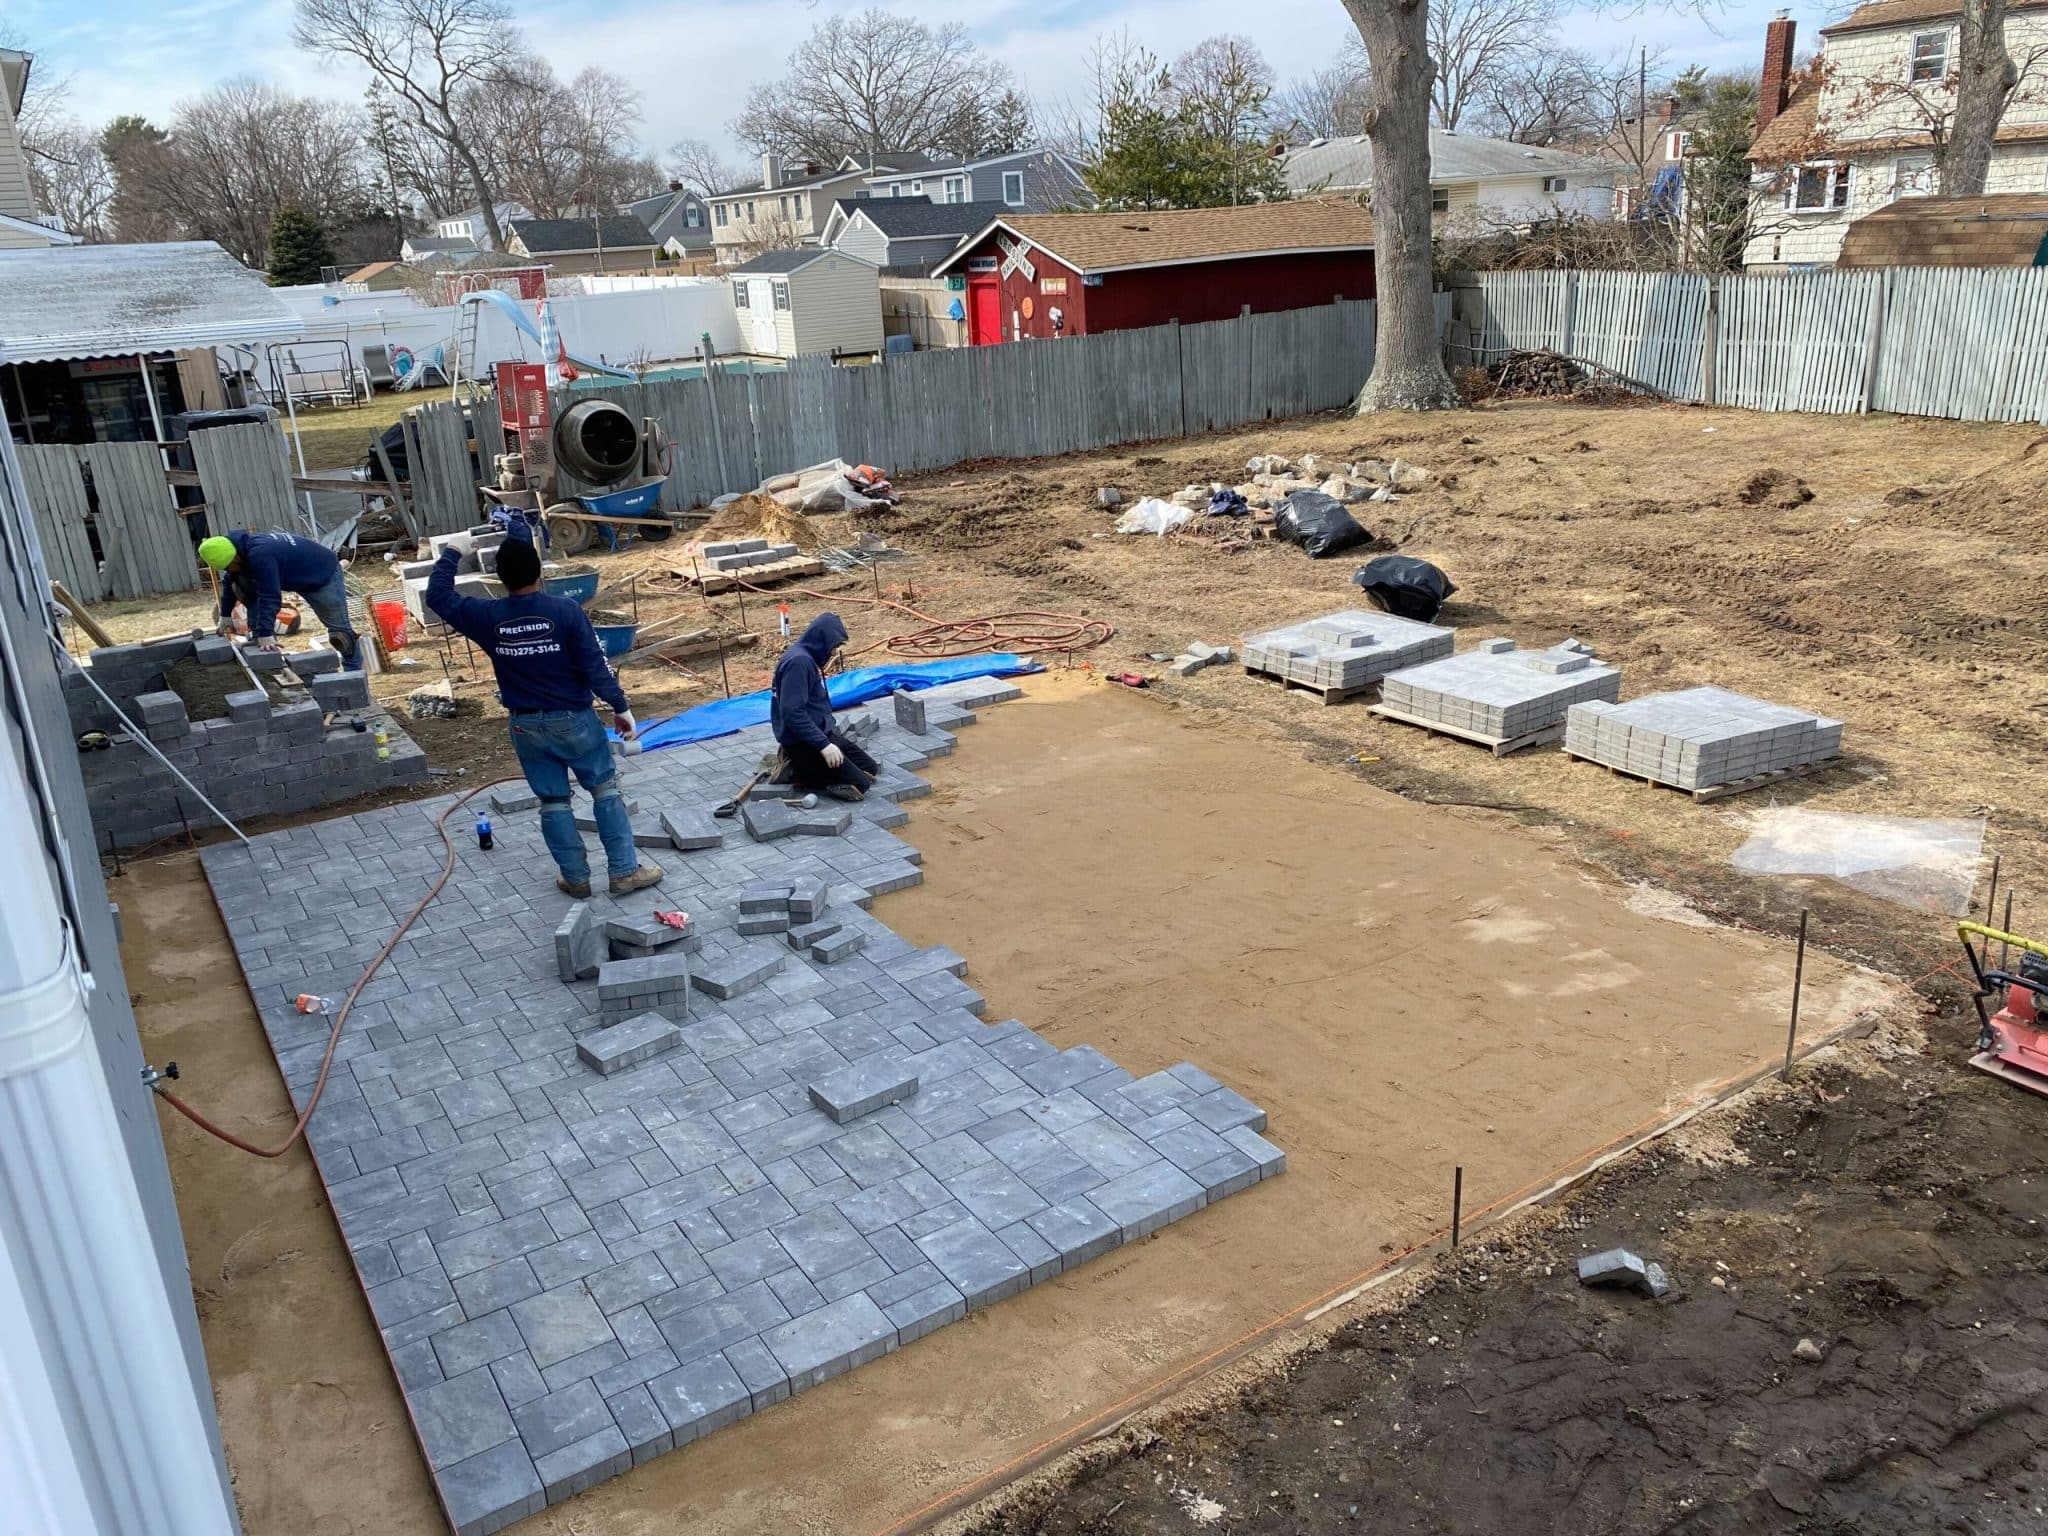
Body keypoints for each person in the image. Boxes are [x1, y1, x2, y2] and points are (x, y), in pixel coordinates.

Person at [425, 533, 662, 898]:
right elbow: (594, 667)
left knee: (553, 802)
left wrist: (454, 551)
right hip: (574, 720)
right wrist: (620, 707)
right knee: (605, 792)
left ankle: (577, 879)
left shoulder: (488, 616)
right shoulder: (565, 612)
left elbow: (438, 597)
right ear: (540, 573)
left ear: (500, 579)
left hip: (526, 725)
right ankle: (624, 872)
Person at [198, 530, 360, 666]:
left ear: (235, 558)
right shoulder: (235, 549)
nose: (229, 570)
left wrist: (266, 633)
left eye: (228, 566)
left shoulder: (260, 554)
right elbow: (230, 582)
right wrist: (225, 616)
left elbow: (269, 596)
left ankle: (354, 675)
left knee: (341, 637)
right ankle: (258, 637)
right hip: (293, 573)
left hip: (321, 574)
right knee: (239, 584)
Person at [771, 612, 880, 801]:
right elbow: (792, 712)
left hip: (821, 734)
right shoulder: (798, 663)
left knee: (870, 768)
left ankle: (812, 766)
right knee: (859, 785)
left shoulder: (806, 657)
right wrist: (823, 746)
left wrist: (827, 738)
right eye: (833, 647)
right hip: (803, 744)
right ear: (821, 640)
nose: (833, 653)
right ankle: (798, 771)